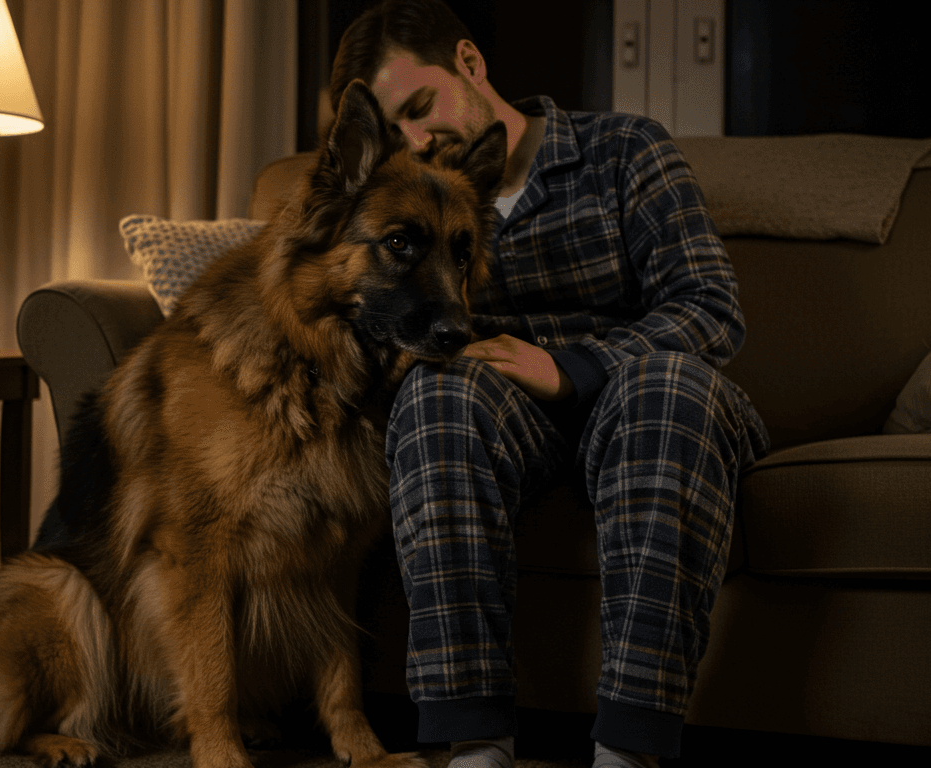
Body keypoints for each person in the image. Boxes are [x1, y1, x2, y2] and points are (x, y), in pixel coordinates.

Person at [329, 3, 770, 767]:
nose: (415, 139)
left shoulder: (624, 149)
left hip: (645, 399)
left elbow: (710, 308)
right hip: (503, 418)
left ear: (470, 62)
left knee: (664, 390)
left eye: (420, 106)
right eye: (393, 126)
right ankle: (472, 748)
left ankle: (628, 753)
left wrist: (569, 369)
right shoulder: (413, 202)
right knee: (436, 396)